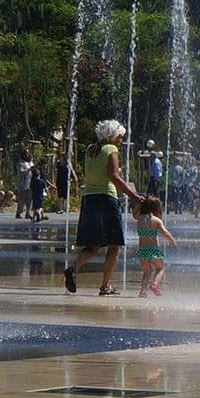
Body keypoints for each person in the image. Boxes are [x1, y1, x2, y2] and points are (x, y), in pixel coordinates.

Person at [64, 119, 144, 297]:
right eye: (120, 137)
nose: (121, 141)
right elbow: (114, 177)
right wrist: (134, 196)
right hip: (107, 199)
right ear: (112, 136)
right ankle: (105, 286)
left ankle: (73, 268)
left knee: (92, 245)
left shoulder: (90, 149)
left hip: (89, 199)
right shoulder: (111, 149)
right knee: (114, 245)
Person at [134, 197, 180, 297]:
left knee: (146, 272)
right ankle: (155, 284)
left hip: (142, 250)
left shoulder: (139, 218)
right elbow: (165, 233)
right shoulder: (156, 221)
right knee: (160, 268)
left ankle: (143, 291)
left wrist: (140, 203)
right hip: (153, 250)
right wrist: (173, 242)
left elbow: (134, 214)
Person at [15, 147, 35, 220]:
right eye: (26, 153)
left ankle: (28, 213)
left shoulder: (30, 162)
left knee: (29, 199)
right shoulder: (21, 163)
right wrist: (29, 169)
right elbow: (21, 172)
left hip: (30, 183)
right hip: (22, 183)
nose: (28, 154)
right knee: (22, 199)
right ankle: (19, 212)